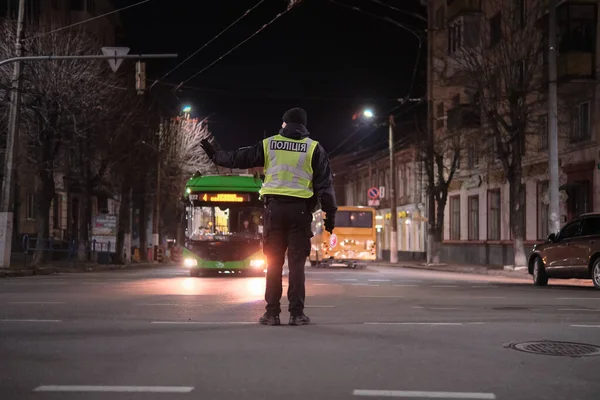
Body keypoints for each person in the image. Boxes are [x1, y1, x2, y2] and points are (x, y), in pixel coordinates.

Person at [200, 107, 337, 326]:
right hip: (300, 212)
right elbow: (325, 186)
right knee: (296, 265)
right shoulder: (314, 149)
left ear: (285, 124)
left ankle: (271, 314)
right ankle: (297, 314)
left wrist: (217, 156)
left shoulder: (270, 144)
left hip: (274, 211)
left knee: (273, 263)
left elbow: (241, 157)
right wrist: (330, 214)